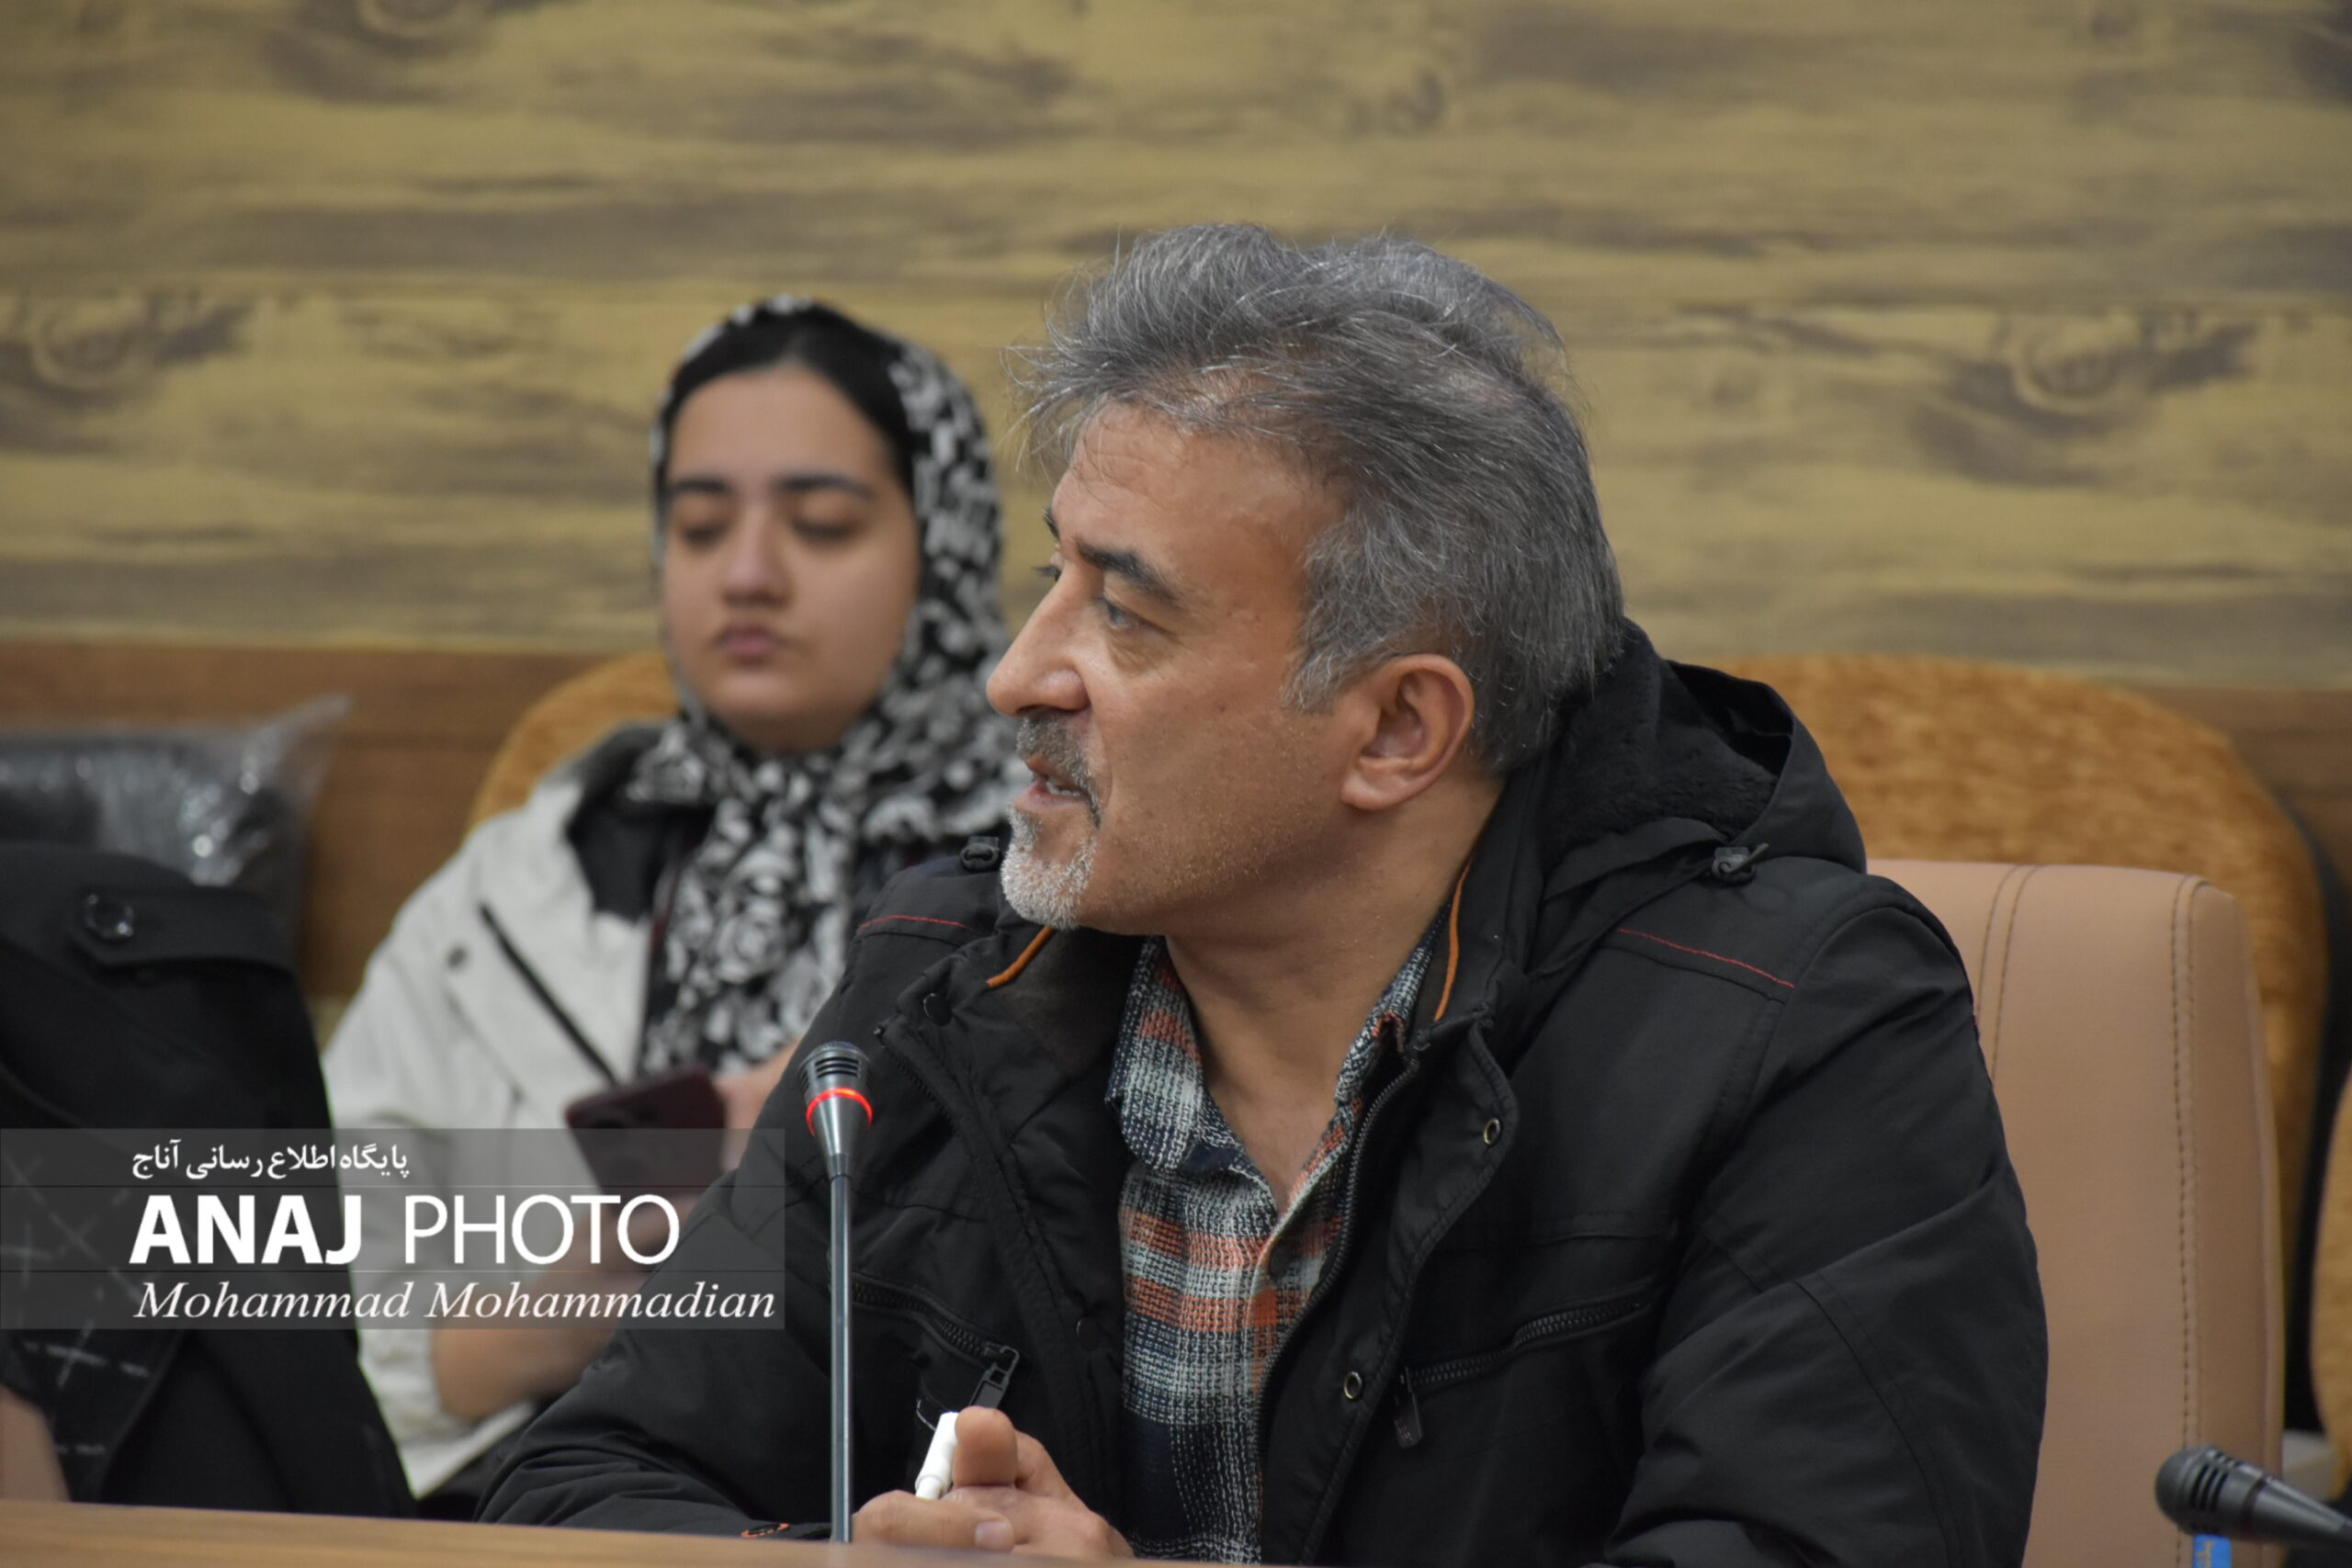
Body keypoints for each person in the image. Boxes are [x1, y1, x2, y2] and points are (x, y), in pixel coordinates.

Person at [480, 228, 2048, 1565]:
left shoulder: (1802, 1034)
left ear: (1397, 728)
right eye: (1048, 578)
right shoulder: (944, 977)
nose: (1016, 674)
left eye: (1126, 614)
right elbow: (577, 1486)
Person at [323, 298, 1022, 1508]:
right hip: (525, 1509)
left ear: (943, 548)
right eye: (699, 527)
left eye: (821, 525)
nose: (747, 575)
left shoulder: (1053, 869)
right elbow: (297, 1290)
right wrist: (561, 1315)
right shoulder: (528, 877)